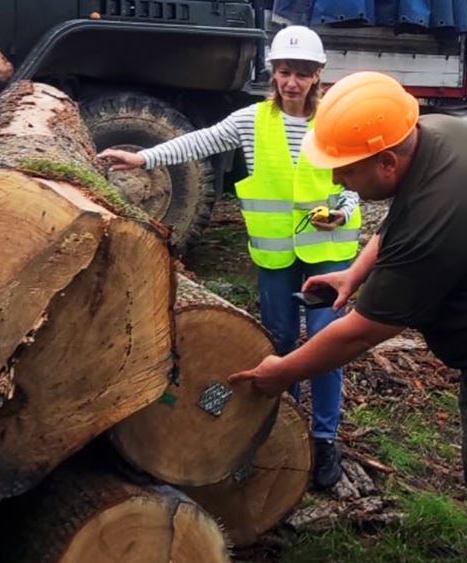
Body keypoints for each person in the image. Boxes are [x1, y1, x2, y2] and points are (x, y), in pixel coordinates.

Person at [229, 72, 467, 563]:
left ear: (385, 161)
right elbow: (400, 223)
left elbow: (361, 333)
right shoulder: (436, 137)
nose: (336, 180)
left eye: (345, 170)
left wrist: (283, 373)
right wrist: (352, 275)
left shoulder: (442, 207)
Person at [98, 26, 362, 491]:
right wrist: (144, 160)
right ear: (274, 74)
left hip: (327, 254)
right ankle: (285, 425)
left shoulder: (336, 122)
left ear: (318, 75)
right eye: (285, 72)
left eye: (302, 74)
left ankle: (323, 439)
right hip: (275, 255)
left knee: (325, 347)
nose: (293, 83)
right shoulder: (251, 121)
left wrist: (341, 213)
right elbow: (199, 142)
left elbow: (357, 186)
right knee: (278, 340)